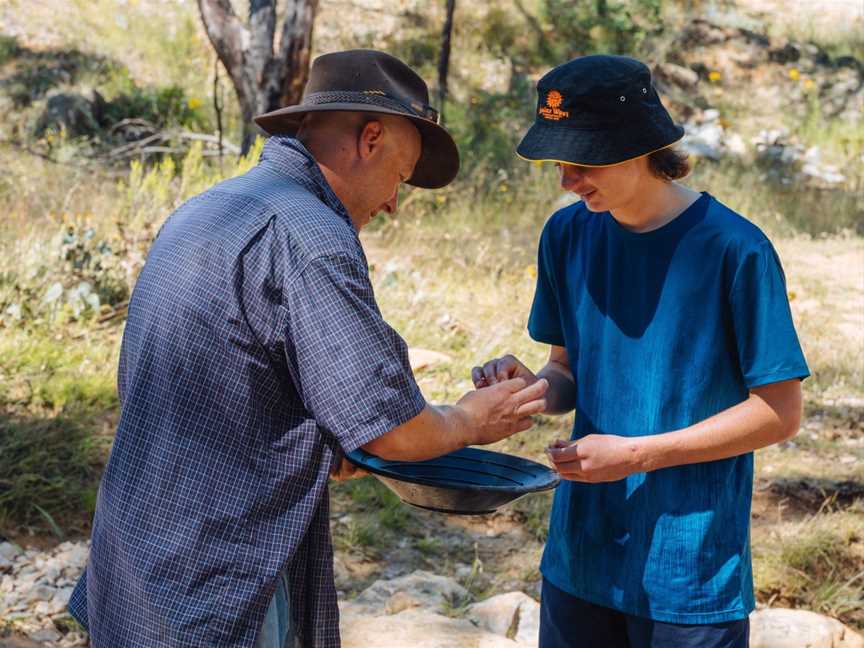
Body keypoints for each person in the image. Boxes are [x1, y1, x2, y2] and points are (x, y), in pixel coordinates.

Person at [68, 49, 548, 648]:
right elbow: (392, 432)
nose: (395, 203)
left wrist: (323, 445)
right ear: (370, 138)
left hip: (138, 549)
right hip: (216, 577)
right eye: (400, 177)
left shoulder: (209, 207)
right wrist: (468, 421)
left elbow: (238, 378)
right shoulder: (310, 235)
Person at [472, 55, 808, 648]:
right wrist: (527, 389)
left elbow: (779, 412)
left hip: (690, 576)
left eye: (581, 161)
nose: (566, 181)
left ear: (638, 145)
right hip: (580, 559)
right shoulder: (567, 235)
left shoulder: (735, 250)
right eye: (558, 162)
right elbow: (567, 370)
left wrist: (639, 454)